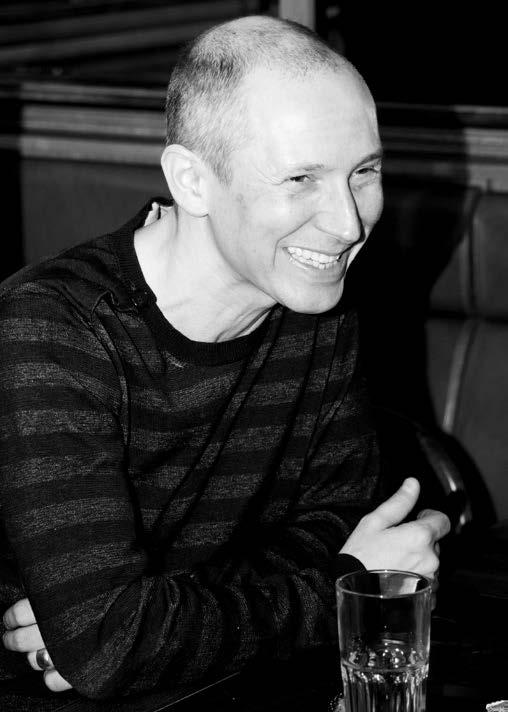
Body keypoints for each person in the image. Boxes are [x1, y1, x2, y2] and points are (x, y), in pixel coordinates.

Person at [0, 15, 449, 701]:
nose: (347, 223)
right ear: (192, 181)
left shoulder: (315, 300)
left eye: (364, 172)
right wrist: (341, 584)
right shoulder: (52, 328)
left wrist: (151, 623)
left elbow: (339, 517)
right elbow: (112, 645)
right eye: (300, 178)